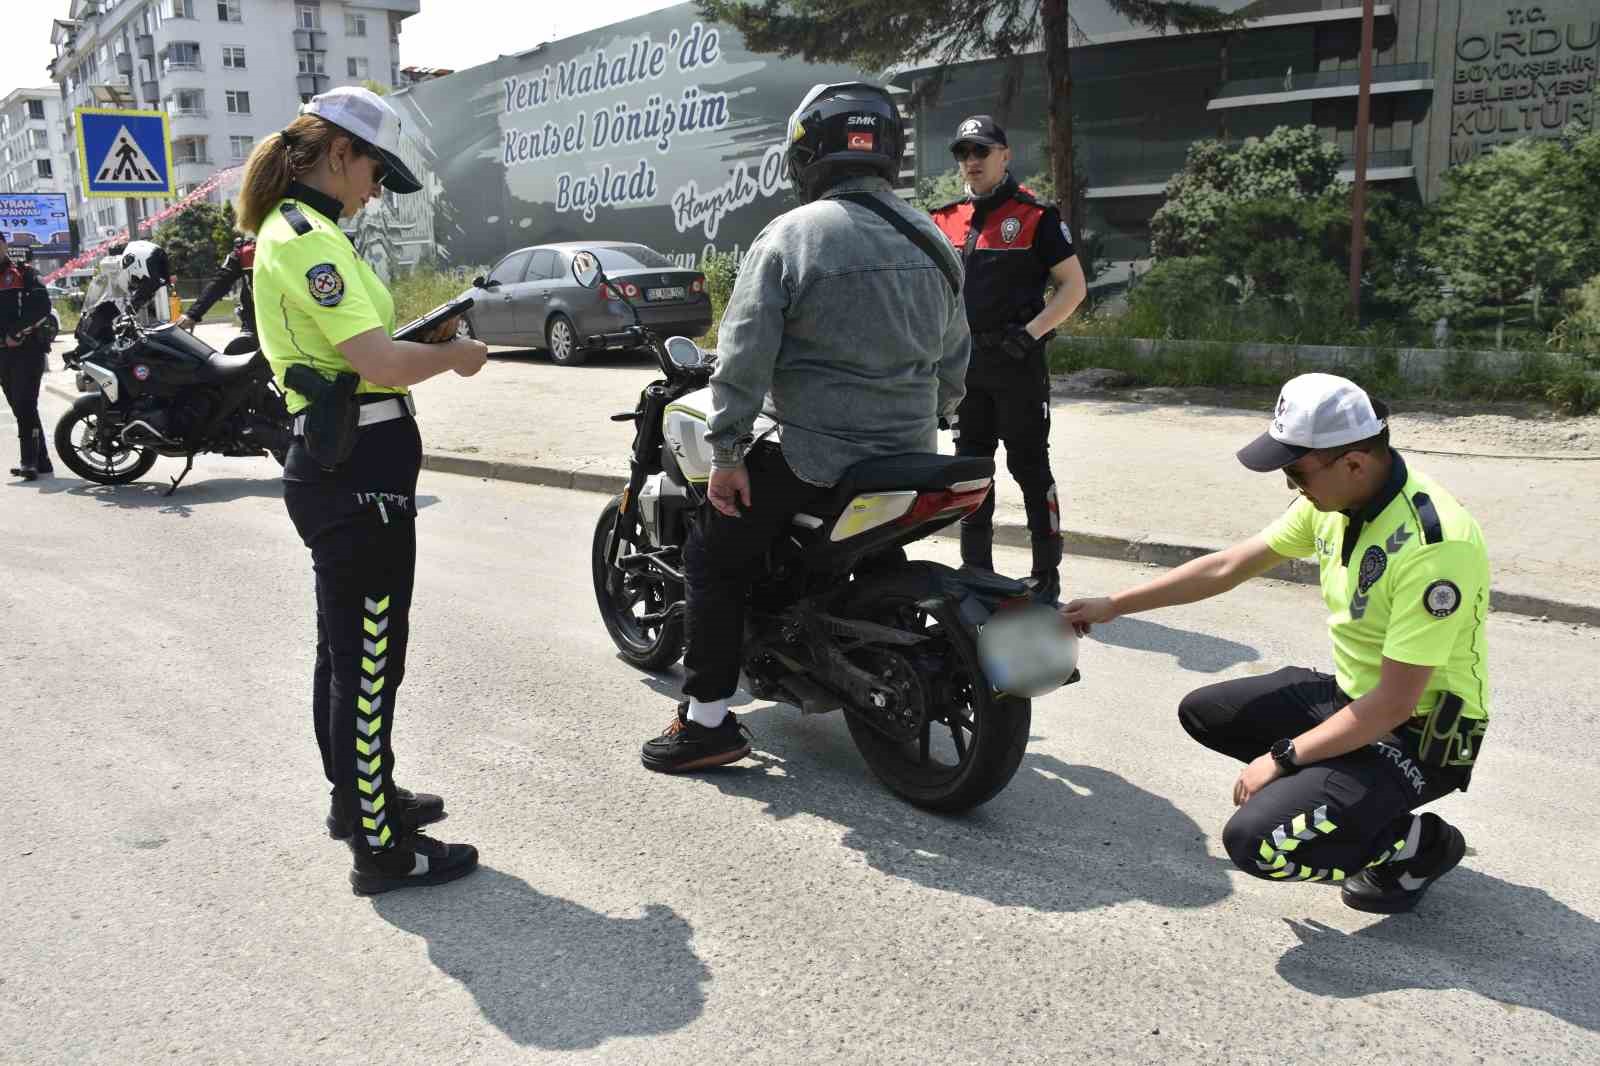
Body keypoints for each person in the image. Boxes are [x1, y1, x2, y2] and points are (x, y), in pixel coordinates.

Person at [1062, 374, 1490, 913]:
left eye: (1295, 471)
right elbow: (1227, 567)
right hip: (1355, 698)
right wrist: (1114, 605)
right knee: (1207, 712)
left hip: (1417, 736)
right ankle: (1347, 795)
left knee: (1256, 844)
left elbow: (1395, 702)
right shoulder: (1337, 499)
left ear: (1354, 462)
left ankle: (1416, 845)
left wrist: (1284, 759)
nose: (1291, 485)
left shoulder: (1434, 546)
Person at [641, 81, 971, 773]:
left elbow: (745, 354)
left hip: (818, 457)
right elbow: (955, 361)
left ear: (807, 155)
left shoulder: (794, 234)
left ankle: (706, 723)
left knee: (711, 555)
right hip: (911, 454)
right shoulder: (936, 240)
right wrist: (923, 415)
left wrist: (729, 450)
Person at [241, 85, 490, 895]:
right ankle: (380, 849)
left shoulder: (304, 231)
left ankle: (360, 802)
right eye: (374, 169)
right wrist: (452, 357)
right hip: (357, 477)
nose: (376, 189)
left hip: (345, 470)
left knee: (344, 657)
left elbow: (360, 353)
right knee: (370, 664)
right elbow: (379, 365)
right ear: (339, 153)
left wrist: (419, 344)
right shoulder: (308, 238)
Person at [930, 116, 1087, 601]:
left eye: (981, 151)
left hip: (1018, 366)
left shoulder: (1036, 216)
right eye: (963, 153)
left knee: (1030, 469)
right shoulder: (942, 219)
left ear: (1005, 155)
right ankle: (977, 570)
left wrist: (1033, 332)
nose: (971, 161)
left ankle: (1046, 574)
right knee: (972, 470)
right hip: (965, 370)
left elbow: (1073, 287)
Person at [1, 233, 54, 480]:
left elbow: (42, 306)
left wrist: (16, 332)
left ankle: (28, 461)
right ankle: (41, 460)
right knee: (19, 406)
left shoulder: (24, 273)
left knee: (24, 404)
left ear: (4, 246)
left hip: (26, 349)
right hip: (2, 354)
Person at [177, 235, 256, 340]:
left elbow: (219, 283)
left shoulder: (246, 250)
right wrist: (192, 314)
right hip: (255, 326)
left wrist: (193, 314)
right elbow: (220, 282)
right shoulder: (245, 251)